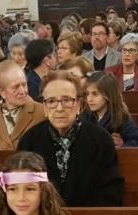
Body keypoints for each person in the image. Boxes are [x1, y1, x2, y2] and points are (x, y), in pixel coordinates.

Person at [18, 71, 124, 206]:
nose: (59, 108)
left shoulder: (101, 140)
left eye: (67, 100)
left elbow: (111, 193)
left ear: (79, 104)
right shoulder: (29, 141)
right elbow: (22, 192)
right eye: (51, 101)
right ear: (44, 107)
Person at [0, 61, 47, 150]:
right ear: (2, 92)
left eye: (24, 85)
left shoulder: (42, 113)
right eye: (16, 87)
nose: (22, 91)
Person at [83, 72, 138, 147]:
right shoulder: (85, 117)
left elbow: (136, 142)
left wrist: (123, 145)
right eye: (87, 94)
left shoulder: (121, 118)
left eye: (95, 94)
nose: (89, 99)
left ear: (108, 94)